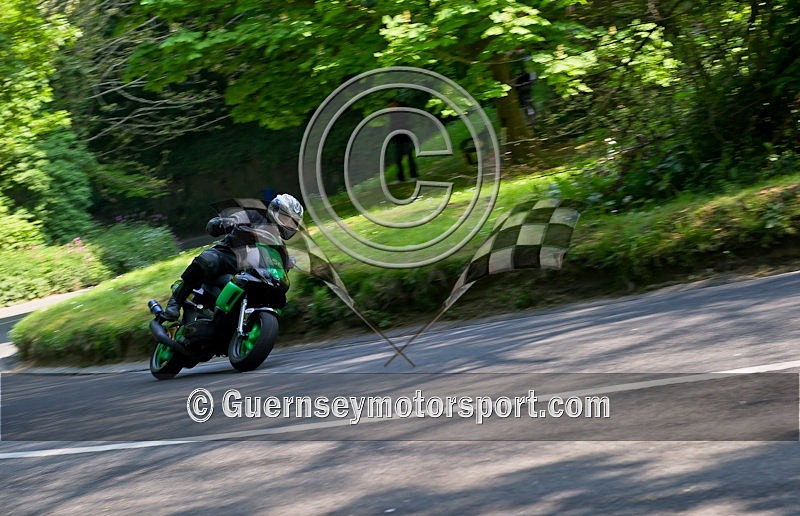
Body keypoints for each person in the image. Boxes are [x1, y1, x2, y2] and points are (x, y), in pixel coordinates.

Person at [163, 194, 304, 321]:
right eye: (286, 219)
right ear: (275, 211)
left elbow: (277, 271)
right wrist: (226, 222)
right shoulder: (254, 215)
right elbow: (229, 220)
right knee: (208, 261)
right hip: (230, 254)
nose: (289, 224)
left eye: (293, 222)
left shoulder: (280, 246)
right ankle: (175, 301)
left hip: (252, 270)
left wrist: (286, 264)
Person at [388, 100, 418, 182]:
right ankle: (401, 178)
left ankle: (414, 175)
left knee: (410, 158)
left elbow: (406, 125)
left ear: (396, 104)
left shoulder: (403, 113)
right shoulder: (392, 115)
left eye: (392, 105)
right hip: (397, 140)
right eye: (390, 106)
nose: (391, 108)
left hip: (406, 139)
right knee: (398, 160)